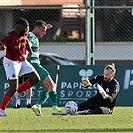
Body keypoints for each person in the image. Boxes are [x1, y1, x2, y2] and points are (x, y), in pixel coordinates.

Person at [0, 18, 40, 117]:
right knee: (12, 87)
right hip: (11, 62)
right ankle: (1, 110)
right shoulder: (10, 36)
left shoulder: (24, 33)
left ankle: (16, 92)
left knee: (35, 79)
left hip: (22, 61)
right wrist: (2, 47)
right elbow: (1, 44)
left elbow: (25, 41)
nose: (27, 31)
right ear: (20, 27)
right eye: (26, 29)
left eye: (28, 28)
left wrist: (29, 50)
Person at [27, 20, 65, 116]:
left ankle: (38, 106)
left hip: (32, 66)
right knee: (52, 85)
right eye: (43, 30)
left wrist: (45, 27)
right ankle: (55, 108)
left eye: (45, 30)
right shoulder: (33, 38)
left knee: (50, 87)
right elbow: (28, 44)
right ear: (37, 29)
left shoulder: (31, 35)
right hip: (35, 66)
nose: (44, 33)